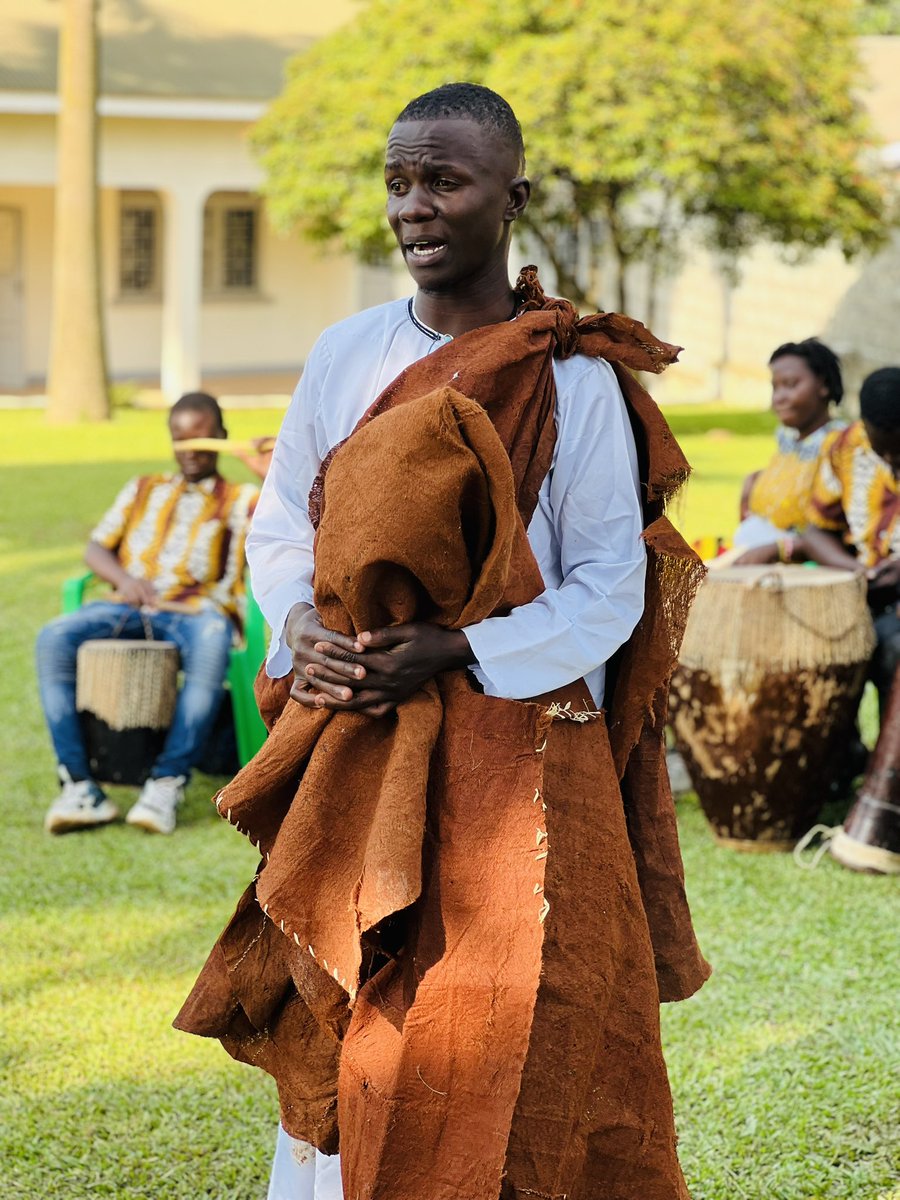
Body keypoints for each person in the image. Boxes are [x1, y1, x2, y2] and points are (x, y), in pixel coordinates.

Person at [176, 84, 709, 1200]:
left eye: (444, 182)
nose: (414, 208)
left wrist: (459, 654)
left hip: (519, 753)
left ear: (511, 199)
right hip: (360, 731)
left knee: (525, 1007)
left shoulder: (569, 376)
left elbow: (606, 589)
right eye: (399, 183)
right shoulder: (344, 353)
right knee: (359, 992)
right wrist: (308, 622)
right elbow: (283, 523)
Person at [37, 392, 260, 836]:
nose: (191, 449)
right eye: (180, 439)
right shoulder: (143, 488)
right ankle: (79, 785)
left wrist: (265, 469)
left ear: (221, 437)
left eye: (203, 439)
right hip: (127, 605)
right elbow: (96, 547)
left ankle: (166, 782)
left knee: (213, 638)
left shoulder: (243, 499)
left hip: (198, 613)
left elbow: (298, 517)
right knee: (54, 637)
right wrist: (123, 580)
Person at [803, 366, 900, 713]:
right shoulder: (844, 447)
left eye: (899, 453)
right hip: (863, 587)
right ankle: (844, 757)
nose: (890, 461)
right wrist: (856, 569)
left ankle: (888, 764)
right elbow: (815, 530)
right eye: (882, 451)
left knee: (894, 648)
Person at [730, 338, 845, 565]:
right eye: (775, 387)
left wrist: (781, 549)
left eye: (791, 385)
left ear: (823, 386)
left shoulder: (839, 446)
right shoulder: (789, 439)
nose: (779, 397)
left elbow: (837, 528)